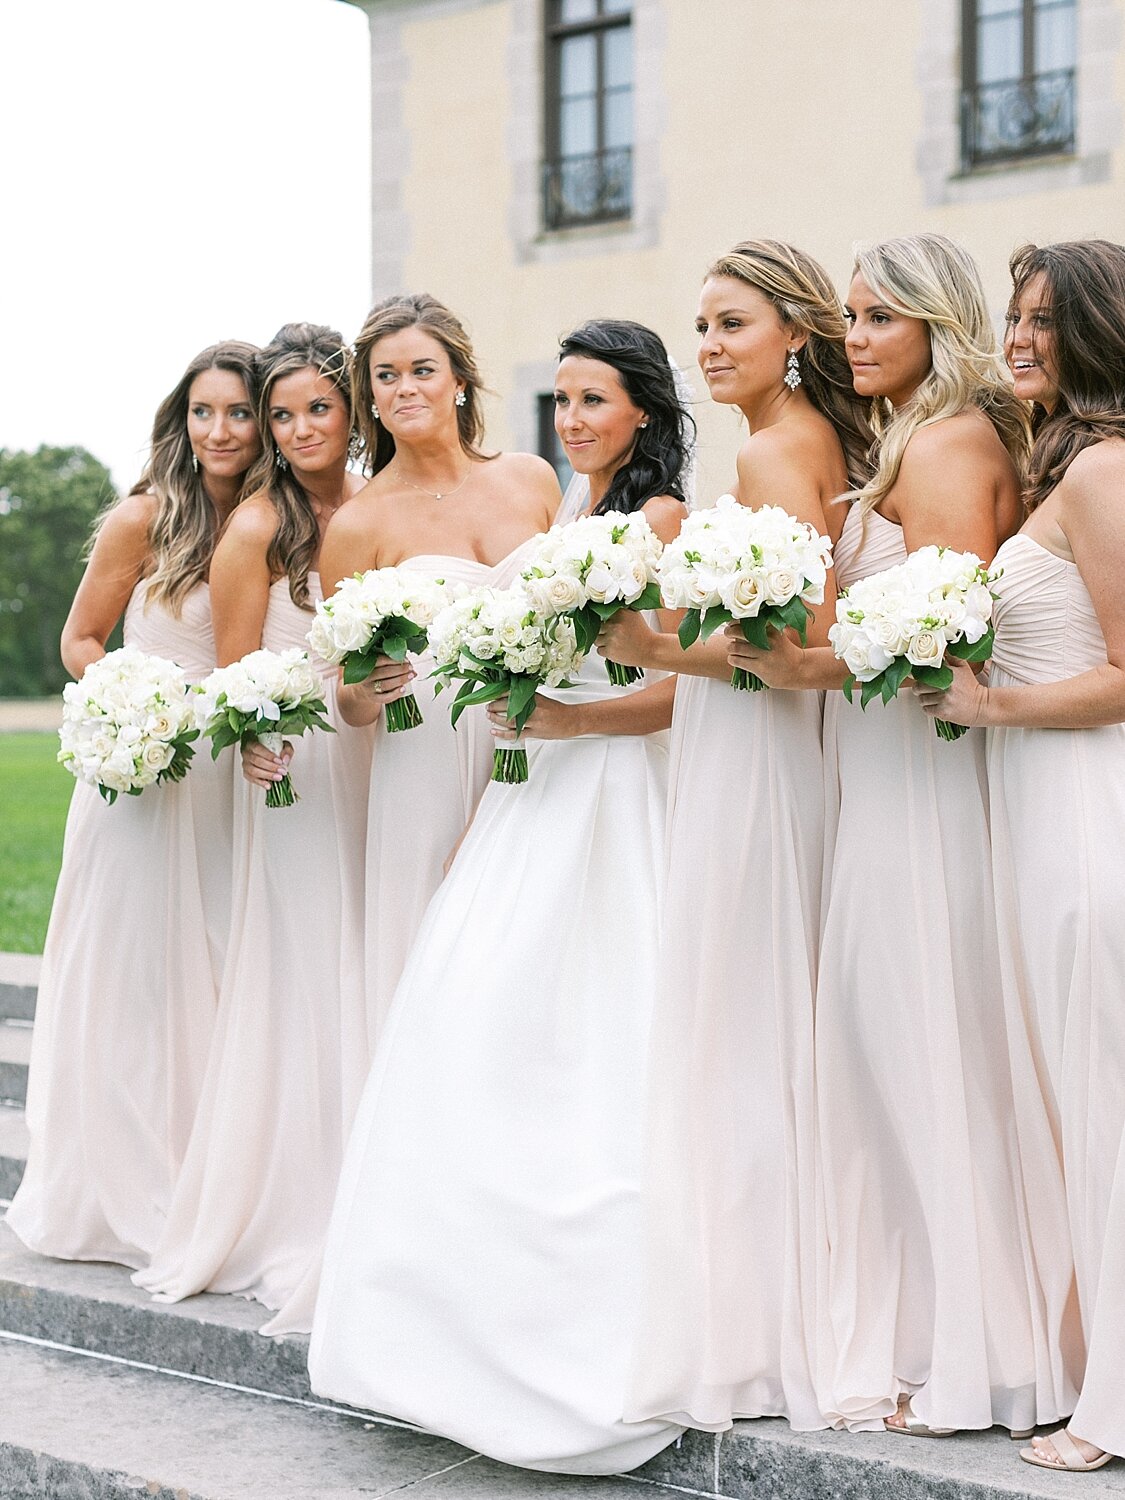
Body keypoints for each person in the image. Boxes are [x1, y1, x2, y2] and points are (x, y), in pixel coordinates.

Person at [308, 318, 688, 1474]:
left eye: (595, 400)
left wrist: (562, 714)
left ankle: (582, 1301)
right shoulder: (557, 509)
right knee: (469, 1021)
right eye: (562, 399)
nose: (573, 419)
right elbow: (346, 690)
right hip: (504, 784)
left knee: (592, 1029)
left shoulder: (617, 512)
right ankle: (439, 1301)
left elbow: (675, 678)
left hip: (590, 783)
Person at [731, 233, 1076, 1436]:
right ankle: (962, 1331)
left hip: (918, 792)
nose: (855, 337)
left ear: (938, 322)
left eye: (881, 317)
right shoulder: (929, 439)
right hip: (891, 780)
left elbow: (939, 644)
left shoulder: (943, 445)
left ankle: (973, 1353)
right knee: (912, 1051)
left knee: (925, 1048)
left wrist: (785, 661)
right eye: (853, 318)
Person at [598, 240, 872, 1432]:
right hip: (756, 751)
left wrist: (656, 649)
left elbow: (791, 645)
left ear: (794, 336)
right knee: (761, 1010)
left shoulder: (773, 450)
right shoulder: (810, 443)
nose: (709, 346)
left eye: (733, 325)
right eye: (701, 326)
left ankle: (751, 1320)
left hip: (753, 753)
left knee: (737, 1017)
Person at [915, 239, 1125, 1473]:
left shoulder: (1103, 474)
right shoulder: (1067, 466)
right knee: (1074, 1101)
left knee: (1103, 1101)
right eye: (1016, 315)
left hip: (1085, 812)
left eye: (1048, 321)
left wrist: (987, 708)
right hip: (1038, 813)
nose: (1021, 337)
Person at [134, 324, 373, 1334]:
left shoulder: (373, 506)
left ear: (350, 412)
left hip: (383, 762)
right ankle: (300, 1199)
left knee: (373, 959)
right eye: (284, 413)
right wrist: (259, 738)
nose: (300, 427)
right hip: (301, 775)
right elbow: (236, 676)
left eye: (318, 407)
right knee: (308, 978)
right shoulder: (255, 529)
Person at [8, 341, 260, 1267]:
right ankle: (117, 1186)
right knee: (136, 976)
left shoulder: (278, 523)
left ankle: (215, 1177)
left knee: (223, 970)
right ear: (180, 420)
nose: (220, 430)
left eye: (239, 412)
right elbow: (80, 639)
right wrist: (129, 697)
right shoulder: (143, 521)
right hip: (144, 776)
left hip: (232, 778)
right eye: (203, 412)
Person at [316, 292, 560, 1092]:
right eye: (385, 377)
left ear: (459, 380)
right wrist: (367, 689)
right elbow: (341, 699)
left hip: (536, 741)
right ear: (370, 398)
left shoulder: (529, 479)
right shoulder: (357, 525)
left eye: (422, 369)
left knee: (539, 947)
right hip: (421, 764)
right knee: (431, 950)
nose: (404, 389)